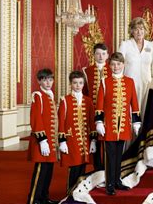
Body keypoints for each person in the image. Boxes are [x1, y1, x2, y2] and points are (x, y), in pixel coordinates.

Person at [95, 52, 141, 195]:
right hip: (108, 126)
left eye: (119, 64)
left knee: (119, 155)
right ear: (109, 66)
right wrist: (99, 122)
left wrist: (136, 123)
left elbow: (134, 103)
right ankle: (109, 183)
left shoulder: (130, 81)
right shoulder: (104, 82)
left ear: (123, 65)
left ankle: (117, 180)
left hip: (123, 126)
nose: (116, 67)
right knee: (110, 155)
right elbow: (99, 104)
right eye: (113, 64)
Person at [58, 71, 97, 193]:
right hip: (71, 140)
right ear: (70, 84)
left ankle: (79, 192)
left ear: (83, 84)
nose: (78, 85)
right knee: (73, 166)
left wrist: (93, 141)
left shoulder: (88, 101)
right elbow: (61, 122)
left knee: (82, 167)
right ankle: (70, 192)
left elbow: (92, 122)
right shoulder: (65, 100)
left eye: (80, 83)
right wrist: (62, 141)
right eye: (75, 83)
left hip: (85, 141)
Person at [26, 68, 58, 204]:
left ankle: (44, 197)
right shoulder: (38, 96)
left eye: (50, 79)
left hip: (50, 141)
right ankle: (32, 201)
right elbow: (36, 119)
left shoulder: (50, 96)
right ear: (39, 81)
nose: (48, 82)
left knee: (48, 171)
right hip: (42, 142)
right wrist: (42, 140)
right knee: (40, 172)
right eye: (44, 79)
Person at [119, 17, 153, 114]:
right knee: (131, 112)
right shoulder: (125, 45)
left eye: (141, 29)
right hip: (129, 84)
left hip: (147, 85)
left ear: (145, 31)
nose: (139, 32)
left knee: (146, 113)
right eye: (136, 29)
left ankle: (143, 130)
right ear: (131, 31)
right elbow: (119, 65)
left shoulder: (151, 45)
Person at [83, 43, 111, 171]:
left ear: (107, 55)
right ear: (93, 55)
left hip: (109, 112)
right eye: (98, 53)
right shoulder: (87, 71)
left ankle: (107, 168)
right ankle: (97, 168)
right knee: (94, 140)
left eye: (103, 54)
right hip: (92, 112)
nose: (101, 56)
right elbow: (84, 94)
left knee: (107, 140)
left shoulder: (112, 70)